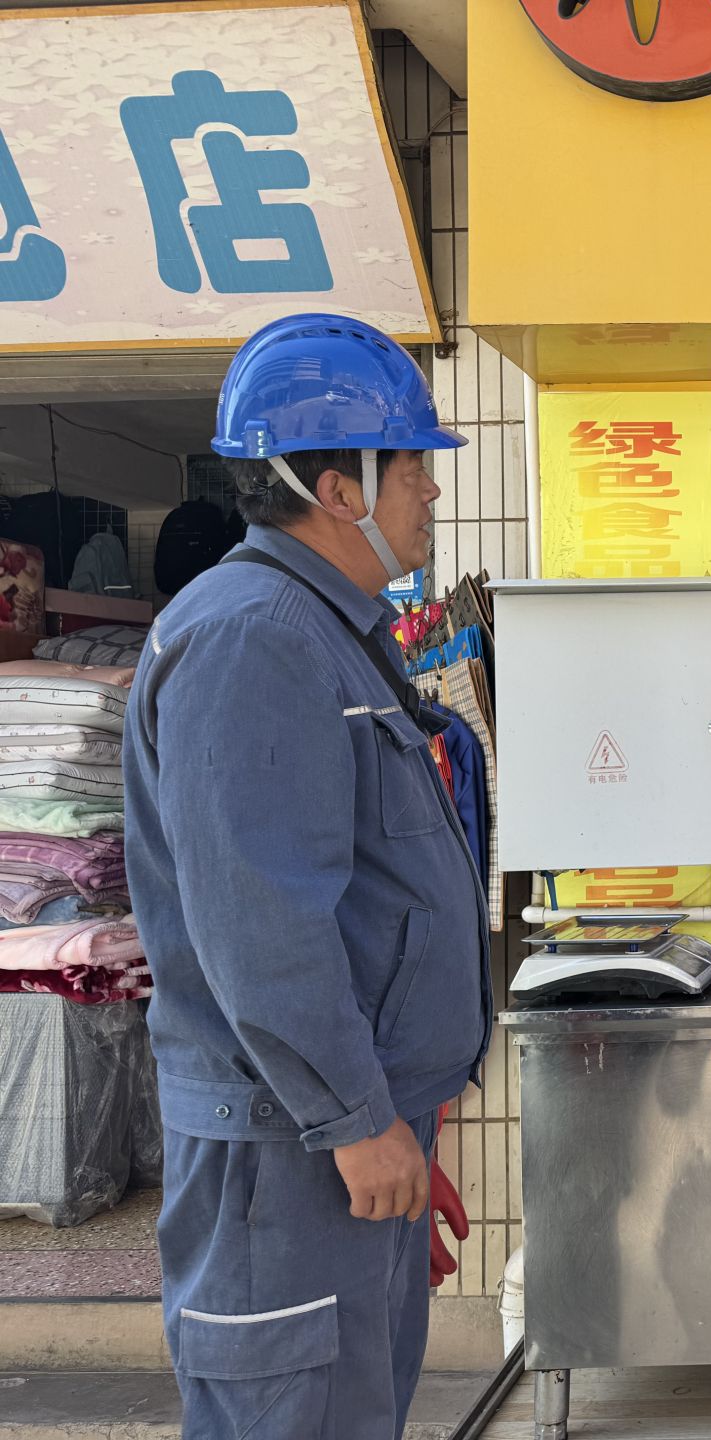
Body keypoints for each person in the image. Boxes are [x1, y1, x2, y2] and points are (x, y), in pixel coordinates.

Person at [125, 314, 490, 1439]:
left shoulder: (328, 630)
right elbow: (262, 922)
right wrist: (356, 1122)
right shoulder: (258, 636)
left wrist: (383, 1118)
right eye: (412, 467)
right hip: (291, 1156)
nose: (432, 490)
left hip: (334, 1138)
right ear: (338, 489)